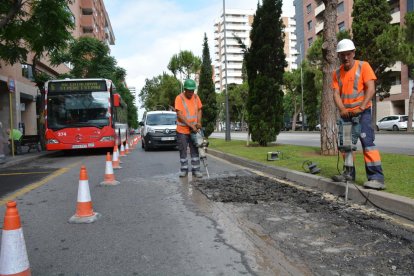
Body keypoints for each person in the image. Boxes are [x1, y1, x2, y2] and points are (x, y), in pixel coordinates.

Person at [331, 38, 385, 190]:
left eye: (348, 54)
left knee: (367, 144)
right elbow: (336, 94)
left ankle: (376, 178)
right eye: (342, 55)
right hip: (346, 115)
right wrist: (342, 109)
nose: (346, 57)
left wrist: (361, 107)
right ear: (339, 56)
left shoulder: (364, 66)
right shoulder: (336, 73)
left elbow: (371, 89)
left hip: (363, 113)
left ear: (353, 53)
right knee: (346, 145)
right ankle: (348, 174)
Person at [175, 79, 203, 178]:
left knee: (195, 150)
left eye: (192, 90)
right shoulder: (179, 98)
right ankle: (184, 170)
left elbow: (199, 110)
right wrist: (191, 125)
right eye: (189, 90)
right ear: (185, 89)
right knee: (183, 150)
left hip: (194, 130)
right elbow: (179, 115)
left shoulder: (196, 97)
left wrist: (199, 122)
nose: (191, 93)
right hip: (182, 130)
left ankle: (196, 170)